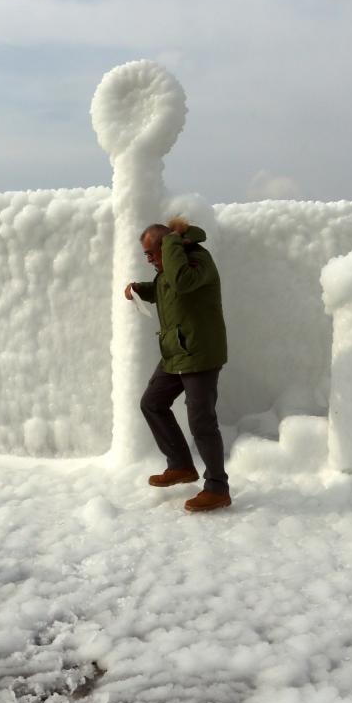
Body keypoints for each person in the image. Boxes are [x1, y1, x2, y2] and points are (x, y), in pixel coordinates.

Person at [123, 216, 231, 512]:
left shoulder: (198, 260)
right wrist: (139, 289)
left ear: (168, 245)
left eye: (150, 253)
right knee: (152, 403)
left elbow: (182, 282)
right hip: (177, 353)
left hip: (200, 354)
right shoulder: (169, 267)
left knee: (202, 422)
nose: (148, 260)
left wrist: (171, 240)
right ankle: (181, 465)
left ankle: (218, 488)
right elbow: (167, 290)